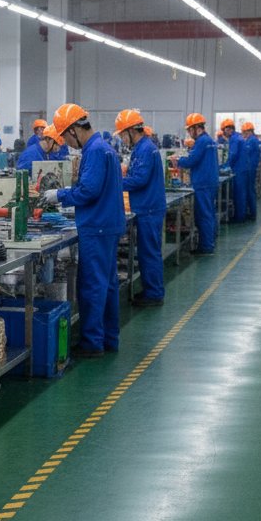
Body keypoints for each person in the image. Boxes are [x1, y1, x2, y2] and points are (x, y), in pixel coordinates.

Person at [43, 104, 125, 357]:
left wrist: (59, 195)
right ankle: (109, 338)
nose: (67, 143)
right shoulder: (104, 148)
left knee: (93, 285)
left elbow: (89, 190)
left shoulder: (95, 151)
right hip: (107, 224)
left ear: (75, 129)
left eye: (66, 137)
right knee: (108, 284)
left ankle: (92, 342)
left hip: (97, 227)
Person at [116, 109, 166, 307]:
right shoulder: (142, 147)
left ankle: (154, 294)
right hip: (147, 207)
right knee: (148, 252)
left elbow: (139, 180)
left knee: (149, 252)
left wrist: (113, 182)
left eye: (122, 134)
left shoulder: (145, 149)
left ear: (131, 131)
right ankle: (152, 289)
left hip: (149, 209)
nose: (121, 138)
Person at [175, 113, 218, 254]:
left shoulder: (201, 142)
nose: (189, 133)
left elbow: (191, 161)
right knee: (209, 213)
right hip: (209, 181)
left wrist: (177, 161)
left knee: (203, 215)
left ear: (196, 128)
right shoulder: (209, 140)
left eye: (189, 130)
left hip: (203, 183)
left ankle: (206, 246)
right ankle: (211, 240)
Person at [222, 119, 247, 223]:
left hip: (239, 169)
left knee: (239, 193)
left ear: (228, 129)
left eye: (224, 130)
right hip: (242, 167)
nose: (224, 133)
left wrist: (225, 166)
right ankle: (241, 214)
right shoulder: (238, 137)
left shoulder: (234, 139)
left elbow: (233, 154)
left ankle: (239, 217)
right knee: (241, 193)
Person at [241, 121, 259, 219]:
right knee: (249, 189)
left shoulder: (252, 140)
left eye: (245, 132)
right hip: (249, 167)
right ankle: (251, 212)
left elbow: (246, 151)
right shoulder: (250, 139)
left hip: (250, 168)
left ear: (250, 131)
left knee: (250, 190)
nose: (244, 134)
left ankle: (252, 213)